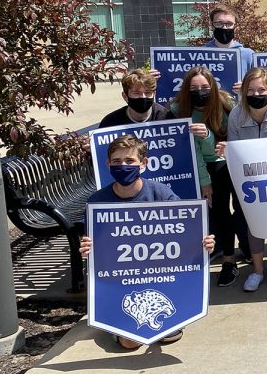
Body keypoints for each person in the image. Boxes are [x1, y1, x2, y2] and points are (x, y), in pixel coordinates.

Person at [79, 135, 215, 350]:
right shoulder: (97, 202)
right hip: (121, 280)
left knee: (165, 333)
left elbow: (187, 231)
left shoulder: (160, 193)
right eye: (116, 161)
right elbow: (96, 247)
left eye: (130, 161)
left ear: (144, 164)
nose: (123, 166)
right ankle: (116, 323)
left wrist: (204, 242)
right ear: (108, 164)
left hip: (160, 274)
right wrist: (88, 250)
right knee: (130, 342)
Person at [215, 67, 267, 292]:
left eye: (261, 90)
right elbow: (235, 148)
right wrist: (227, 150)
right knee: (253, 226)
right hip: (248, 179)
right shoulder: (237, 115)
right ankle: (257, 271)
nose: (256, 94)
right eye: (251, 90)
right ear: (244, 93)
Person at [170, 66, 241, 287]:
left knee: (221, 210)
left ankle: (230, 260)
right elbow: (190, 150)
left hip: (220, 164)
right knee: (195, 214)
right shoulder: (177, 110)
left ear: (212, 87)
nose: (199, 91)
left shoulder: (226, 106)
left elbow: (224, 143)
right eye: (193, 88)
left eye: (204, 87)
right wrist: (203, 181)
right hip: (192, 165)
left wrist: (208, 136)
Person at [205, 4, 256, 94]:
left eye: (229, 24)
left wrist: (247, 87)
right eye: (219, 23)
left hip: (240, 106)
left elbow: (260, 84)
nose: (224, 27)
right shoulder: (201, 54)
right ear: (212, 26)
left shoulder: (249, 55)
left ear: (236, 27)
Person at [99, 69, 176, 127]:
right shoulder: (110, 122)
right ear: (125, 96)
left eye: (148, 92)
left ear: (154, 94)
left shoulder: (167, 118)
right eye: (136, 93)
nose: (143, 96)